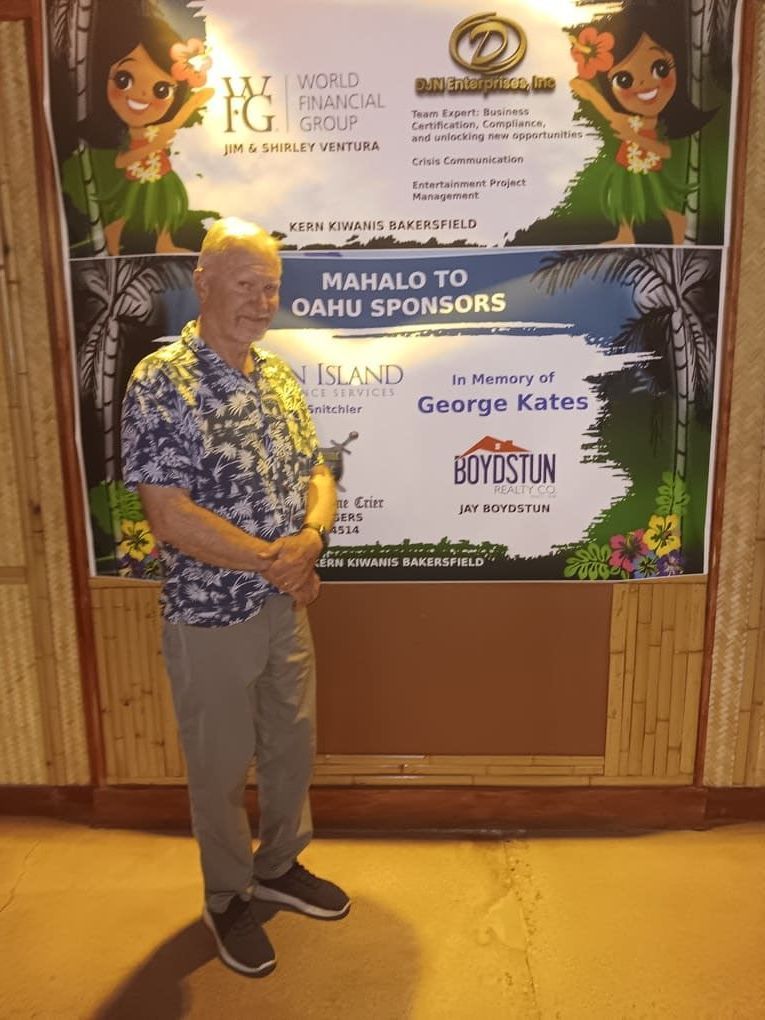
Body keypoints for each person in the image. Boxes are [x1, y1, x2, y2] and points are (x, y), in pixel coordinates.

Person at [121, 217, 349, 978]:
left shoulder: (277, 374)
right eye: (247, 283)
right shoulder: (162, 382)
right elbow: (169, 514)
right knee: (218, 770)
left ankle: (280, 866)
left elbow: (318, 471)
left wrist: (311, 539)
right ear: (205, 281)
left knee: (290, 748)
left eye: (272, 286)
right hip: (208, 619)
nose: (262, 300)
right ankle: (227, 896)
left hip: (285, 607)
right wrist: (276, 562)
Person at [61, 1, 214, 254]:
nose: (142, 94)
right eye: (124, 79)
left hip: (160, 175)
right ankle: (113, 236)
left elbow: (174, 122)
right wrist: (152, 146)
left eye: (161, 89)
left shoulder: (162, 125)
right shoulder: (136, 133)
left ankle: (163, 242)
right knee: (127, 211)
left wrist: (194, 102)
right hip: (139, 175)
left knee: (165, 208)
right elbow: (123, 161)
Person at [564, 3, 714, 244]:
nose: (644, 84)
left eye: (660, 68)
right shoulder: (631, 120)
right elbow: (610, 114)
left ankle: (675, 224)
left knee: (652, 202)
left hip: (644, 169)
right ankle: (626, 234)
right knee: (622, 200)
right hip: (627, 167)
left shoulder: (645, 123)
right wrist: (589, 94)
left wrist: (633, 137)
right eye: (624, 79)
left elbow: (663, 151)